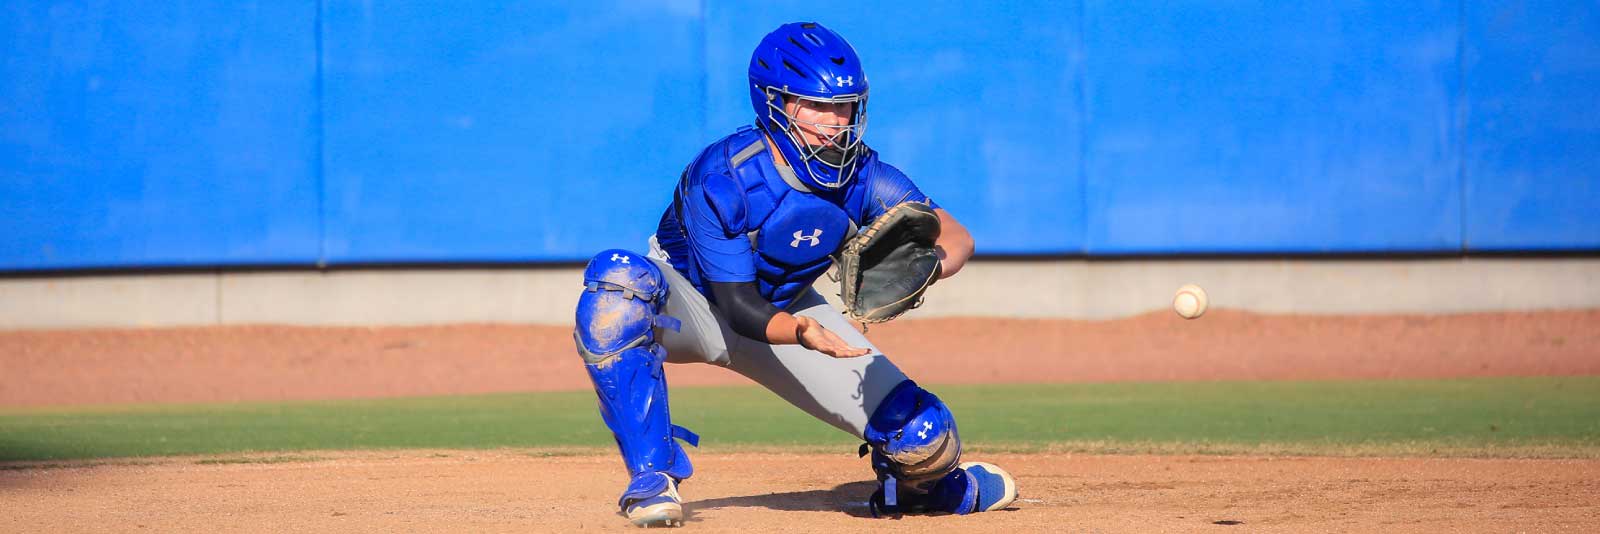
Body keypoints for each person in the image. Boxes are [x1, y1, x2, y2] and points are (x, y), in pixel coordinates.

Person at [572, 21, 1017, 528]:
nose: (835, 121)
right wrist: (804, 331)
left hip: (788, 309)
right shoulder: (725, 174)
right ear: (775, 104)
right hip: (692, 304)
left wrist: (929, 265)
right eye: (817, 105)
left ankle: (922, 492)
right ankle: (652, 479)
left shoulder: (864, 174)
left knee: (924, 437)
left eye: (845, 105)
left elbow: (956, 237)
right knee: (617, 287)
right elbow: (737, 306)